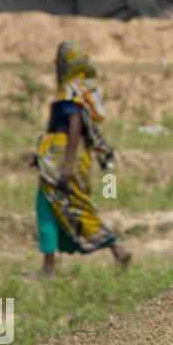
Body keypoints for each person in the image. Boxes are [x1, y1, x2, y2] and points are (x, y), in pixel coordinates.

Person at [33, 43, 131, 278]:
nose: (57, 66)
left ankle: (114, 247)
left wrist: (66, 163)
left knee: (50, 205)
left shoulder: (69, 90)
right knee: (68, 205)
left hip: (65, 158)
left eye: (60, 61)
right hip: (70, 157)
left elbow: (75, 124)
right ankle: (113, 248)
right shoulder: (86, 91)